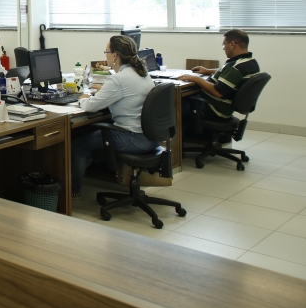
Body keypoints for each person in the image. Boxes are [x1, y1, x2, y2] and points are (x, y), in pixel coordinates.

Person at [71, 35, 158, 199]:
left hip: (132, 138)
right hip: (151, 137)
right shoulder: (142, 73)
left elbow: (90, 106)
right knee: (88, 137)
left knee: (79, 146)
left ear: (115, 55)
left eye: (107, 52)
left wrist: (83, 98)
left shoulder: (118, 79)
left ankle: (72, 191)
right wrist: (104, 91)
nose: (106, 55)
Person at [178, 29, 259, 125]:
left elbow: (217, 91)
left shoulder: (235, 67)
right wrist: (207, 71)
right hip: (222, 108)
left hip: (211, 109)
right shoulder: (250, 62)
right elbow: (228, 72)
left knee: (172, 103)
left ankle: (174, 134)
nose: (223, 48)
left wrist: (196, 78)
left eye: (224, 44)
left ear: (232, 44)